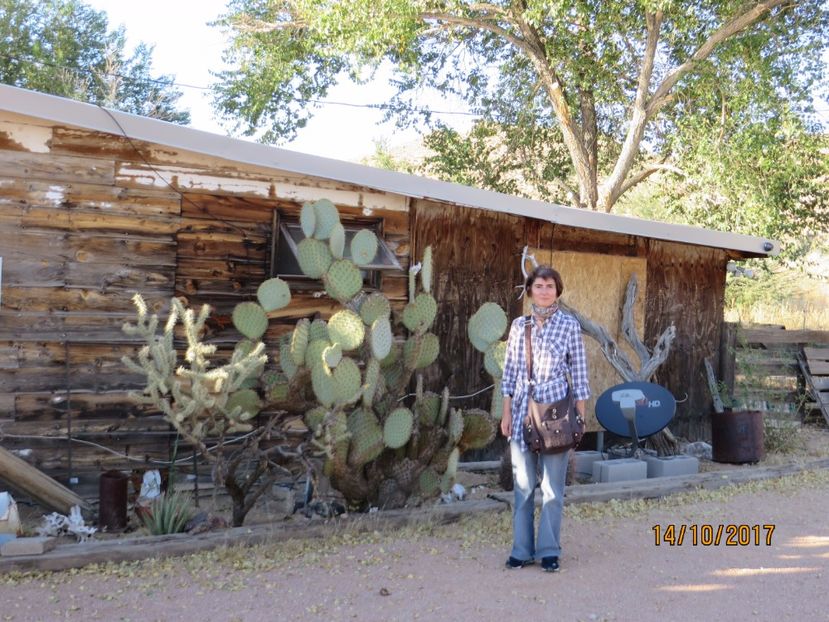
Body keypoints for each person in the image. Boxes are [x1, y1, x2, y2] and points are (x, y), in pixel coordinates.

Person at [500, 265, 590, 572]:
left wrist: (580, 414)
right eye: (539, 285)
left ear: (558, 291)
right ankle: (521, 550)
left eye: (550, 286)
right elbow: (509, 371)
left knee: (553, 486)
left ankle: (549, 550)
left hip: (556, 415)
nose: (544, 290)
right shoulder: (518, 326)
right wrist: (506, 410)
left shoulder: (569, 325)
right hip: (523, 410)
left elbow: (578, 370)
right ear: (530, 290)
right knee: (523, 485)